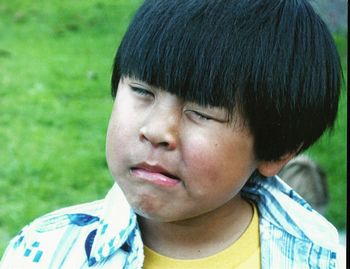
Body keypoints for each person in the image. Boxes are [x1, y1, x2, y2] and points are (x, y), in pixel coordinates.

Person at [0, 0, 343, 268]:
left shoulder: (320, 258)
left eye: (201, 112)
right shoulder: (47, 253)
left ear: (277, 152)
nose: (156, 131)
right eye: (141, 90)